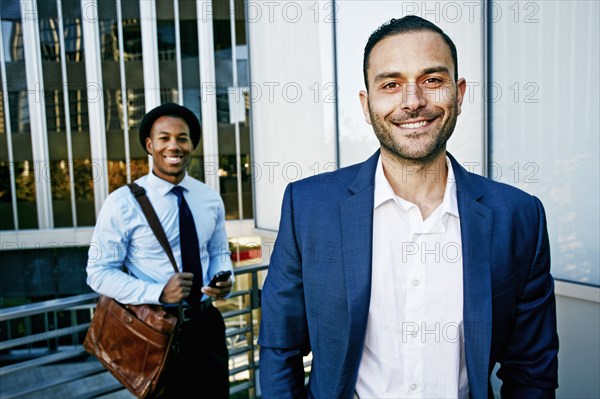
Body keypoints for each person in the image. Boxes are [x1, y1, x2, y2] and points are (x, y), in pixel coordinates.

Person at [258, 15, 559, 399]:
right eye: (391, 84)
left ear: (459, 94)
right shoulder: (308, 206)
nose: (413, 101)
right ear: (367, 106)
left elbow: (532, 369)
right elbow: (280, 343)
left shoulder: (519, 216)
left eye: (432, 81)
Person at [86, 102, 234, 398]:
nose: (174, 146)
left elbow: (219, 251)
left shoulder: (209, 198)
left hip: (207, 326)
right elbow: (98, 273)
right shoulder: (122, 202)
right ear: (150, 145)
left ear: (191, 145)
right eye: (164, 138)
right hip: (159, 330)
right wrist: (157, 292)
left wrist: (224, 278)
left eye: (182, 138)